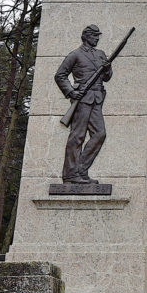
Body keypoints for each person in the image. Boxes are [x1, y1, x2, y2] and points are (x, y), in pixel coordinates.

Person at [55, 24, 112, 184]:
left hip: (97, 98)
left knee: (100, 134)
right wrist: (71, 92)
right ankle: (71, 175)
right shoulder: (75, 55)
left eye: (98, 36)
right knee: (77, 136)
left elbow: (107, 77)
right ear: (86, 36)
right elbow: (60, 75)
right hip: (82, 99)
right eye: (94, 35)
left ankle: (80, 170)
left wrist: (107, 69)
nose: (97, 38)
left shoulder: (101, 54)